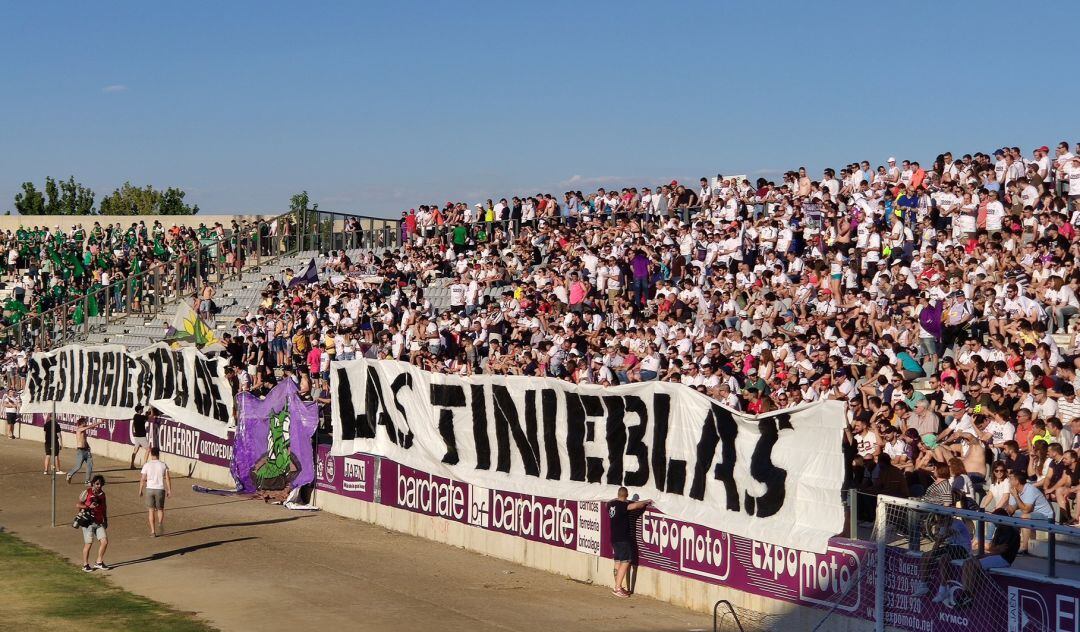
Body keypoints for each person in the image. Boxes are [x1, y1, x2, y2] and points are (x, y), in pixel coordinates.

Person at [608, 487, 652, 597]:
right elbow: (636, 506)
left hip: (614, 538)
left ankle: (618, 585)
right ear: (627, 495)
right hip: (623, 538)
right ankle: (617, 588)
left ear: (617, 494)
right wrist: (646, 501)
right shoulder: (623, 506)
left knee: (617, 562)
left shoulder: (610, 505)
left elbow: (609, 502)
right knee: (626, 562)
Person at [77, 474, 110, 572]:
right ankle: (85, 565)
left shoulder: (102, 495)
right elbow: (78, 504)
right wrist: (88, 507)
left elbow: (104, 508)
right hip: (88, 522)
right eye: (97, 484)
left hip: (99, 522)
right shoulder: (87, 492)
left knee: (104, 542)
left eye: (101, 484)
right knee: (88, 544)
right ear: (93, 484)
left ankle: (99, 562)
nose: (99, 486)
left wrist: (105, 520)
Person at [138, 447, 172, 536]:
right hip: (160, 489)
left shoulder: (147, 465)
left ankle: (153, 531)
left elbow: (142, 479)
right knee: (160, 509)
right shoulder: (163, 465)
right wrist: (169, 490)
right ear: (158, 454)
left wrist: (140, 489)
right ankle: (160, 523)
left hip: (149, 489)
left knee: (151, 510)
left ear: (151, 454)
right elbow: (167, 479)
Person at [66, 417, 106, 485]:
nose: (86, 423)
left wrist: (88, 446)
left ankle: (87, 481)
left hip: (86, 450)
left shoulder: (84, 430)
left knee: (90, 465)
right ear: (82, 423)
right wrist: (99, 422)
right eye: (85, 422)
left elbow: (84, 440)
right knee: (78, 466)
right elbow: (90, 426)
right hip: (80, 451)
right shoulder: (79, 429)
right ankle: (69, 474)